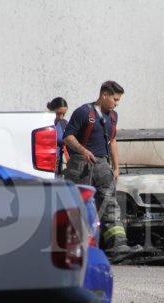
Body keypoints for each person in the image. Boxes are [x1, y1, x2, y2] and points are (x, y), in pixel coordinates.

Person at [62, 81, 136, 254]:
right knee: (78, 206)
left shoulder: (113, 116)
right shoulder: (83, 112)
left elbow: (113, 141)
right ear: (104, 95)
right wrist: (83, 150)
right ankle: (75, 247)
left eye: (118, 101)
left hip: (103, 166)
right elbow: (68, 137)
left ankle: (117, 245)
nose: (116, 104)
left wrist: (116, 167)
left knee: (110, 204)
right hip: (81, 165)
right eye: (115, 99)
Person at [47, 97, 69, 175]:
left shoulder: (64, 124)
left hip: (59, 166)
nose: (61, 117)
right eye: (58, 113)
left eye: (64, 114)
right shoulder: (44, 124)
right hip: (45, 165)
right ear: (52, 110)